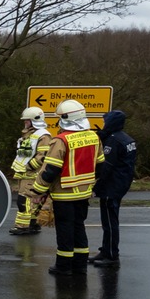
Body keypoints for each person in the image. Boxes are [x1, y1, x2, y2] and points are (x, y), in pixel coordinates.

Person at [27, 99, 105, 277]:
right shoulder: (94, 137)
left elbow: (50, 171)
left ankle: (63, 266)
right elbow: (100, 166)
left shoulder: (60, 141)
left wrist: (37, 192)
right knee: (79, 227)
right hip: (84, 194)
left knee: (64, 231)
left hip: (64, 195)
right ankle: (80, 265)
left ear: (65, 118)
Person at [91, 110, 137, 267]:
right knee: (110, 221)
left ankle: (111, 256)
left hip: (112, 186)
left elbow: (106, 168)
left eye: (106, 121)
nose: (103, 124)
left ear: (111, 122)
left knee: (109, 223)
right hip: (121, 184)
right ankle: (105, 250)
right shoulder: (127, 139)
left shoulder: (113, 141)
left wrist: (96, 187)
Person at [8, 106, 53, 235]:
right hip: (26, 174)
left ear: (34, 121)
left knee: (24, 201)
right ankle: (33, 224)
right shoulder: (30, 135)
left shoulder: (43, 136)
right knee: (31, 201)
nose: (25, 123)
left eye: (27, 120)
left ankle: (22, 226)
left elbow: (42, 156)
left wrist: (28, 167)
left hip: (32, 175)